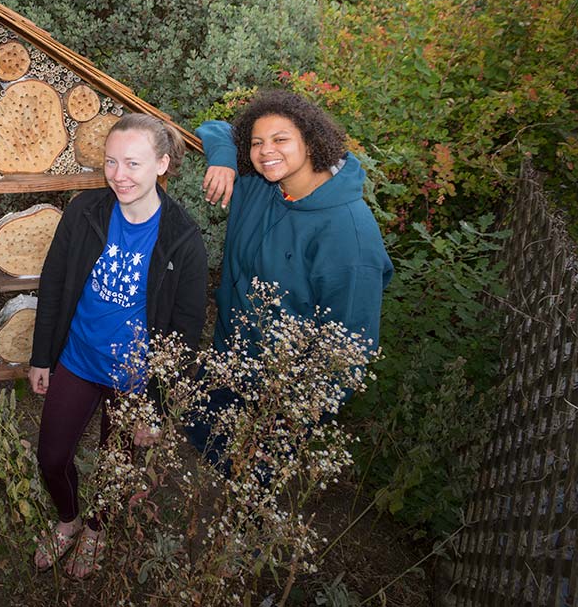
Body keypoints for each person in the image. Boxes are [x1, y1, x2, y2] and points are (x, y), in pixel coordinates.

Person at [27, 113, 208, 578]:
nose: (119, 176)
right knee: (51, 456)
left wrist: (158, 405)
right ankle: (67, 521)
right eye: (111, 162)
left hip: (136, 378)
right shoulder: (84, 212)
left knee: (115, 466)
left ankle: (96, 530)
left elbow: (185, 331)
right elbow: (54, 284)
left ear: (162, 164)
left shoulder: (182, 239)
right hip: (79, 358)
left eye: (133, 163)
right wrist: (42, 356)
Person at [185, 89, 393, 469]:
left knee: (245, 485)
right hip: (226, 360)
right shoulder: (261, 187)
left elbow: (348, 350)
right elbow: (214, 128)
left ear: (311, 143)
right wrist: (224, 160)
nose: (266, 151)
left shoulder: (349, 235)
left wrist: (290, 422)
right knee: (199, 448)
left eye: (281, 140)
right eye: (256, 143)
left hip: (278, 396)